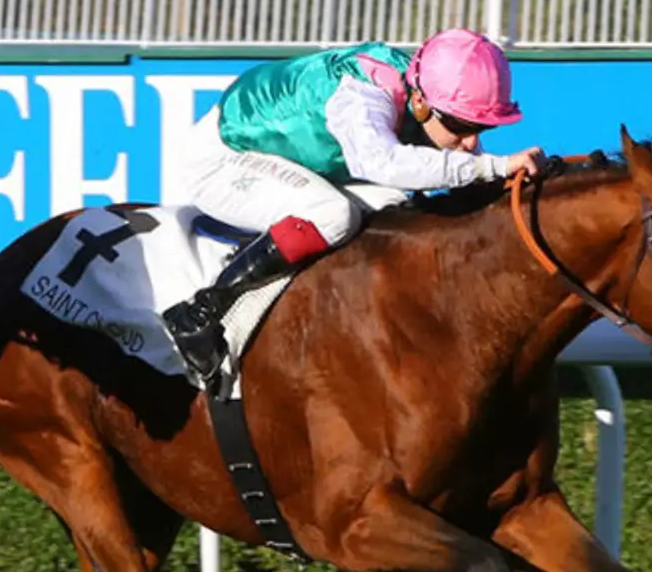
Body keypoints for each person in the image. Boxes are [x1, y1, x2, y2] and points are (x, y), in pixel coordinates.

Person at [161, 28, 546, 387]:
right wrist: (492, 166)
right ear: (421, 103)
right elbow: (382, 164)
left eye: (483, 130)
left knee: (399, 205)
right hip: (223, 158)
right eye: (462, 127)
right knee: (332, 215)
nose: (471, 143)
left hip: (290, 153)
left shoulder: (420, 90)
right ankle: (202, 312)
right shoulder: (362, 98)